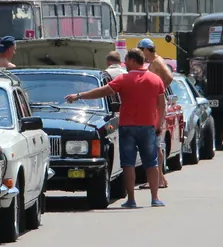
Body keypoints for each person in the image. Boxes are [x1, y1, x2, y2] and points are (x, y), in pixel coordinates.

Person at [64, 48, 167, 208]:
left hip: (127, 127)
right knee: (151, 163)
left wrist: (79, 96)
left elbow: (102, 91)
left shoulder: (124, 79)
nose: (125, 63)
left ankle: (131, 199)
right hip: (148, 126)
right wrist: (158, 124)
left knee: (128, 163)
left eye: (127, 60)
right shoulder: (155, 80)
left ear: (133, 60)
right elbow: (162, 105)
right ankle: (155, 198)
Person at [138, 38, 174, 189]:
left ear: (146, 50)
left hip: (157, 105)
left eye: (141, 50)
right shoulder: (154, 62)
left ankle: (157, 179)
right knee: (155, 143)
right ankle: (160, 178)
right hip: (156, 103)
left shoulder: (157, 62)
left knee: (155, 142)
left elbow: (169, 77)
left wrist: (158, 90)